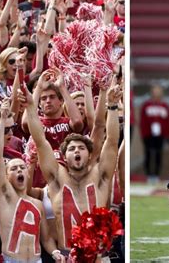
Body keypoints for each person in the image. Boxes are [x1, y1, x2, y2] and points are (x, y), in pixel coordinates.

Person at [25, 81, 121, 256]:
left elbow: (112, 143)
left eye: (81, 148)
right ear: (64, 156)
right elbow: (39, 140)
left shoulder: (99, 175)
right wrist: (31, 106)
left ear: (90, 154)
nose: (77, 150)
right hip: (66, 254)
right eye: (71, 149)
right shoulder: (56, 178)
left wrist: (113, 106)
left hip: (98, 257)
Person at [0, 100, 61, 262]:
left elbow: (46, 238)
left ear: (28, 174)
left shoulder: (37, 204)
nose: (19, 170)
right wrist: (2, 120)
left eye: (22, 167)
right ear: (6, 176)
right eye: (14, 169)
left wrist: (55, 252)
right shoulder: (5, 196)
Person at [140, 83, 169, 183]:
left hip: (160, 135)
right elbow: (143, 120)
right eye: (155, 90)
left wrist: (168, 135)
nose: (157, 92)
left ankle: (156, 175)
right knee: (148, 153)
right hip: (148, 134)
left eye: (159, 90)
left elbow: (168, 121)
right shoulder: (146, 105)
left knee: (158, 154)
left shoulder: (165, 106)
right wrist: (144, 133)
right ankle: (149, 174)